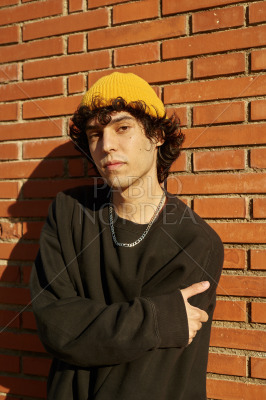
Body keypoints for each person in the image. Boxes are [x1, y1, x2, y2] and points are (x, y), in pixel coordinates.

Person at [30, 72, 224, 400]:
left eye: (122, 128)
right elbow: (55, 324)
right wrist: (159, 320)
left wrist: (90, 330)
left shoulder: (194, 242)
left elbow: (148, 374)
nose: (106, 145)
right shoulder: (68, 213)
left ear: (158, 135)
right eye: (95, 134)